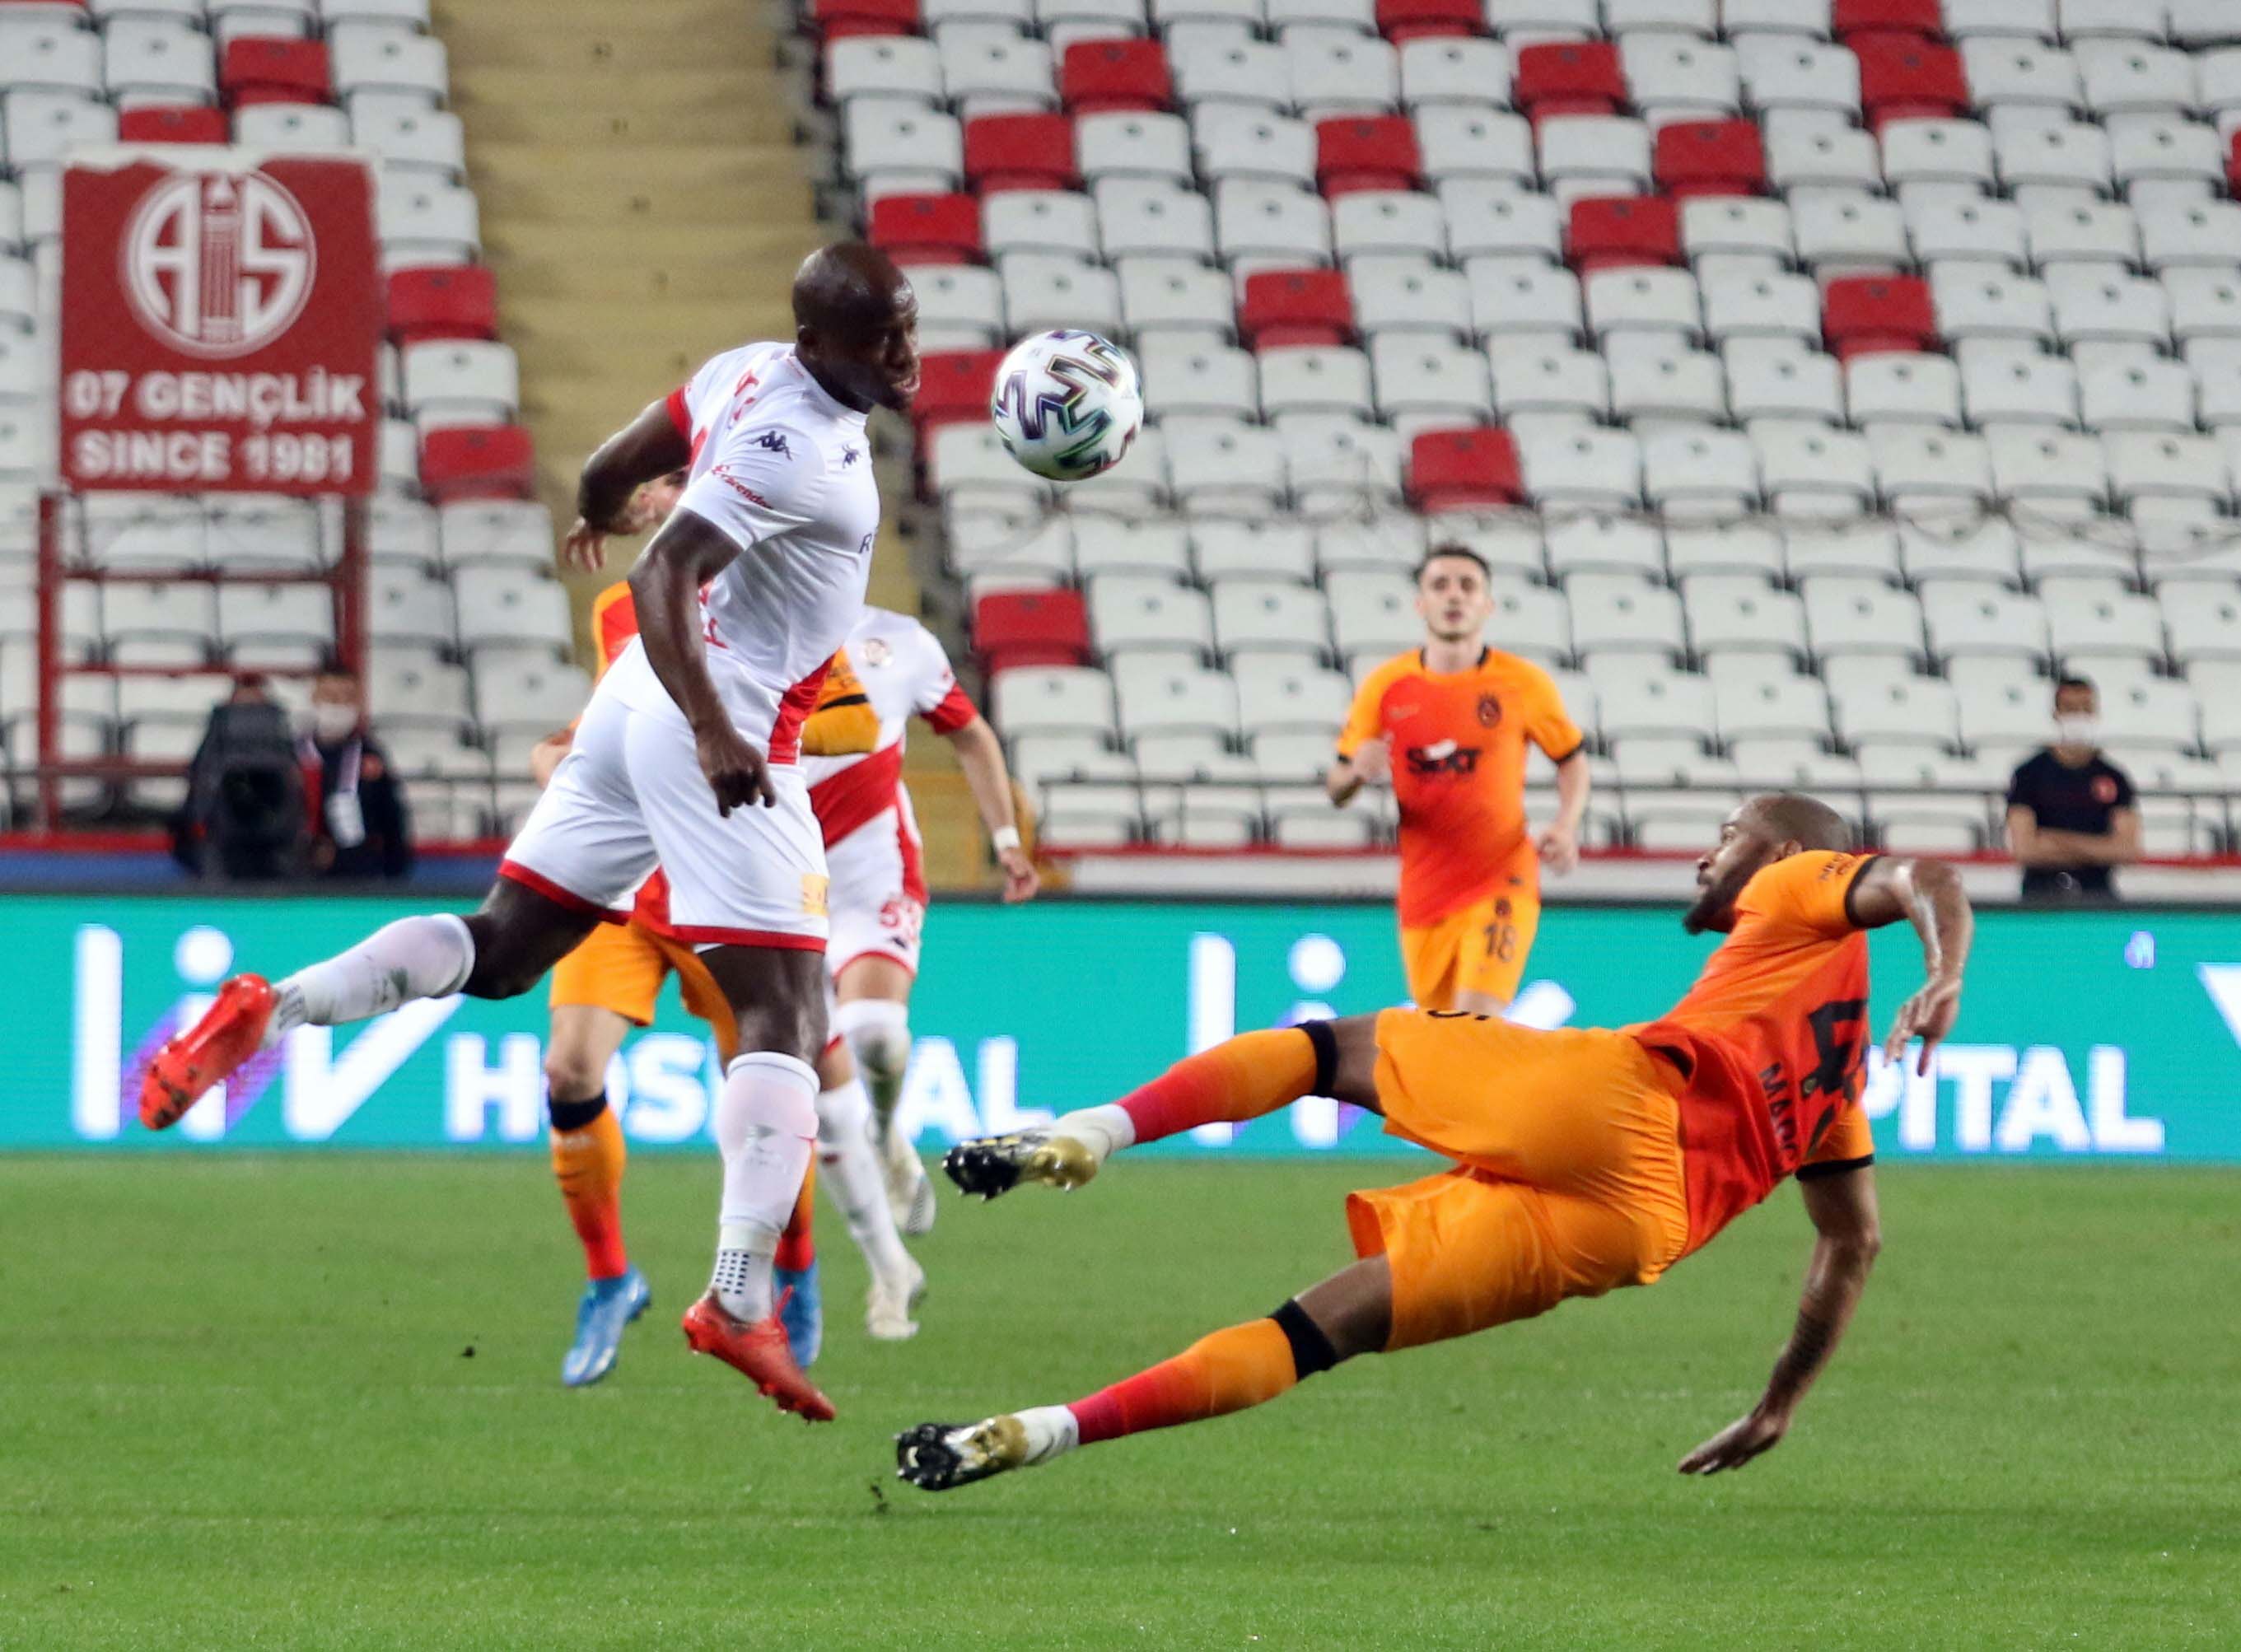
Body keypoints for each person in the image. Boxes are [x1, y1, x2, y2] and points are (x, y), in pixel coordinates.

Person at [139, 241, 921, 1426]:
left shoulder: (745, 371)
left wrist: (592, 512)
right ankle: (735, 1295)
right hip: (723, 720)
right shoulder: (795, 441)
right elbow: (666, 572)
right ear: (823, 346)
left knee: (503, 949)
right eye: (882, 341)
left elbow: (616, 467)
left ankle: (271, 1006)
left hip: (625, 713)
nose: (905, 356)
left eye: (908, 330)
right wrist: (715, 727)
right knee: (785, 1016)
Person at [895, 793, 1971, 1492]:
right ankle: (1041, 1430)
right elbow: (1851, 1243)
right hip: (1644, 1228)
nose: (1707, 854)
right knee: (1331, 1321)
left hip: (1626, 1101)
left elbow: (1931, 876)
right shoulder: (1837, 1083)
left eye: (1728, 834)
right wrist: (1778, 1400)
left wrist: (1945, 966)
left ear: (1782, 851)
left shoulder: (1794, 885)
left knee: (1325, 1049)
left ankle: (1091, 1131)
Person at [527, 503, 888, 1386]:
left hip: (730, 885)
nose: (654, 498)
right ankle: (611, 1277)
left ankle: (792, 1271)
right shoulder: (620, 602)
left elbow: (854, 725)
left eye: (672, 478)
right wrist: (567, 759)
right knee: (569, 1070)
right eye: (648, 485)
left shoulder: (783, 604)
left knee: (767, 1097)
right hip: (628, 888)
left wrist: (723, 726)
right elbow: (612, 716)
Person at [805, 604, 1041, 1234]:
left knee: (875, 1030)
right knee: (796, 1073)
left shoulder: (899, 641)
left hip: (869, 870)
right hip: (770, 879)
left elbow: (968, 732)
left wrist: (1006, 837)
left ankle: (882, 1135)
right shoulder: (733, 626)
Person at [1325, 544, 1592, 1015]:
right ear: (1420, 602)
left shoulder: (1522, 684)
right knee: (1441, 1038)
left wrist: (1566, 825)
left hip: (1501, 877)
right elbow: (1336, 787)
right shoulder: (1386, 686)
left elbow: (1571, 760)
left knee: (1475, 1026)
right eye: (1440, 585)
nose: (1454, 596)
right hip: (1424, 891)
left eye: (1467, 586)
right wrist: (1356, 773)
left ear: (1487, 605)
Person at [2005, 676, 2140, 904]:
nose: (2078, 716)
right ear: (2056, 714)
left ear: (2096, 714)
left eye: (2085, 709)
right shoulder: (2028, 773)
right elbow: (2024, 848)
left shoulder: (2116, 777)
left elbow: (2127, 850)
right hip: (2040, 894)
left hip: (2098, 893)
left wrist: (2053, 840)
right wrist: (2099, 848)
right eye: (2070, 709)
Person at [299, 666, 413, 880]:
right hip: (298, 877)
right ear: (314, 698)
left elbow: (393, 820)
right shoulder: (294, 753)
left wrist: (396, 878)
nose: (338, 706)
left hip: (359, 876)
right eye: (331, 697)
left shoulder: (371, 756)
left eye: (347, 699)